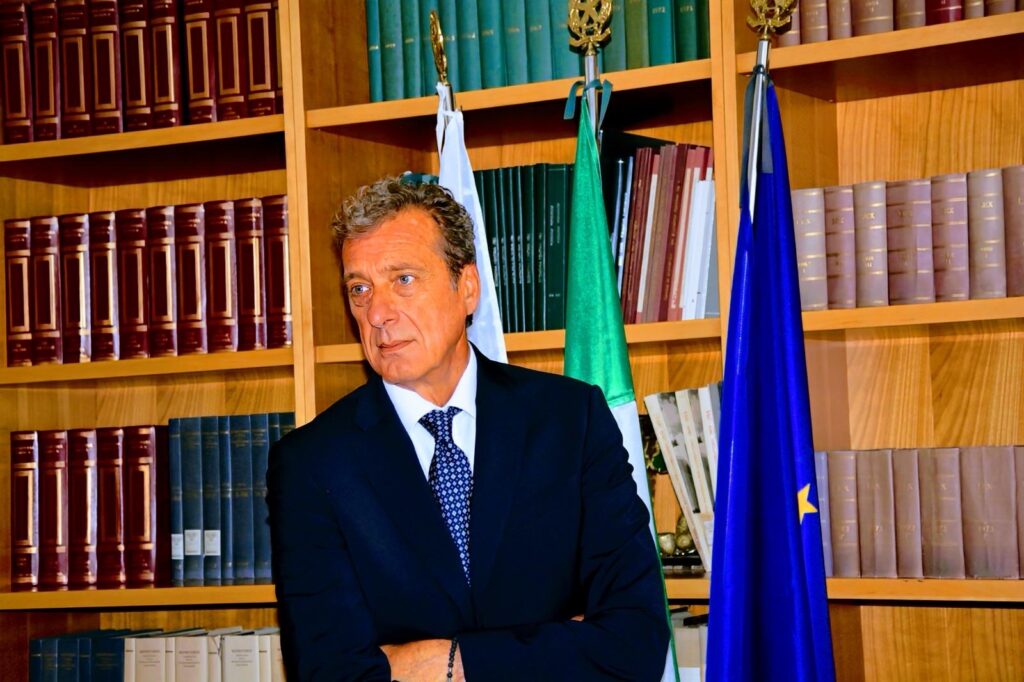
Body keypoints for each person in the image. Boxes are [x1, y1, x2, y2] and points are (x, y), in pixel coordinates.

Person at [267, 177, 668, 681]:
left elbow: (635, 641)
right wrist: (556, 646)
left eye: (403, 279)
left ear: (468, 287)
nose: (378, 314)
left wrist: (449, 663)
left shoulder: (571, 421)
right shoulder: (312, 463)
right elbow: (330, 672)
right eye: (359, 289)